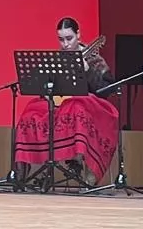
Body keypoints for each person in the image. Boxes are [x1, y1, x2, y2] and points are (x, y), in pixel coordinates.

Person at [13, 16, 117, 186]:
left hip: (88, 107)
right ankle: (20, 175)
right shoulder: (57, 60)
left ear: (78, 35)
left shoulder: (94, 60)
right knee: (31, 111)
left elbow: (106, 90)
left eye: (69, 38)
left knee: (76, 106)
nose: (66, 44)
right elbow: (46, 85)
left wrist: (88, 70)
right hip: (60, 106)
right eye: (61, 40)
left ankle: (81, 166)